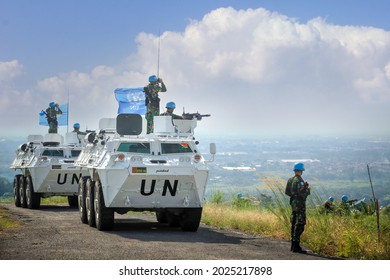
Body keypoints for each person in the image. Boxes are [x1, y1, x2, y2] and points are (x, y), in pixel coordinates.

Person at [285, 162, 311, 253]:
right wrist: (307, 190)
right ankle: (296, 246)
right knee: (300, 224)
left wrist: (294, 196)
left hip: (293, 204)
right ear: (301, 171)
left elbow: (287, 192)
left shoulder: (290, 180)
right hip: (300, 204)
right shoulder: (299, 180)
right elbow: (302, 194)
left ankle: (293, 245)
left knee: (294, 223)